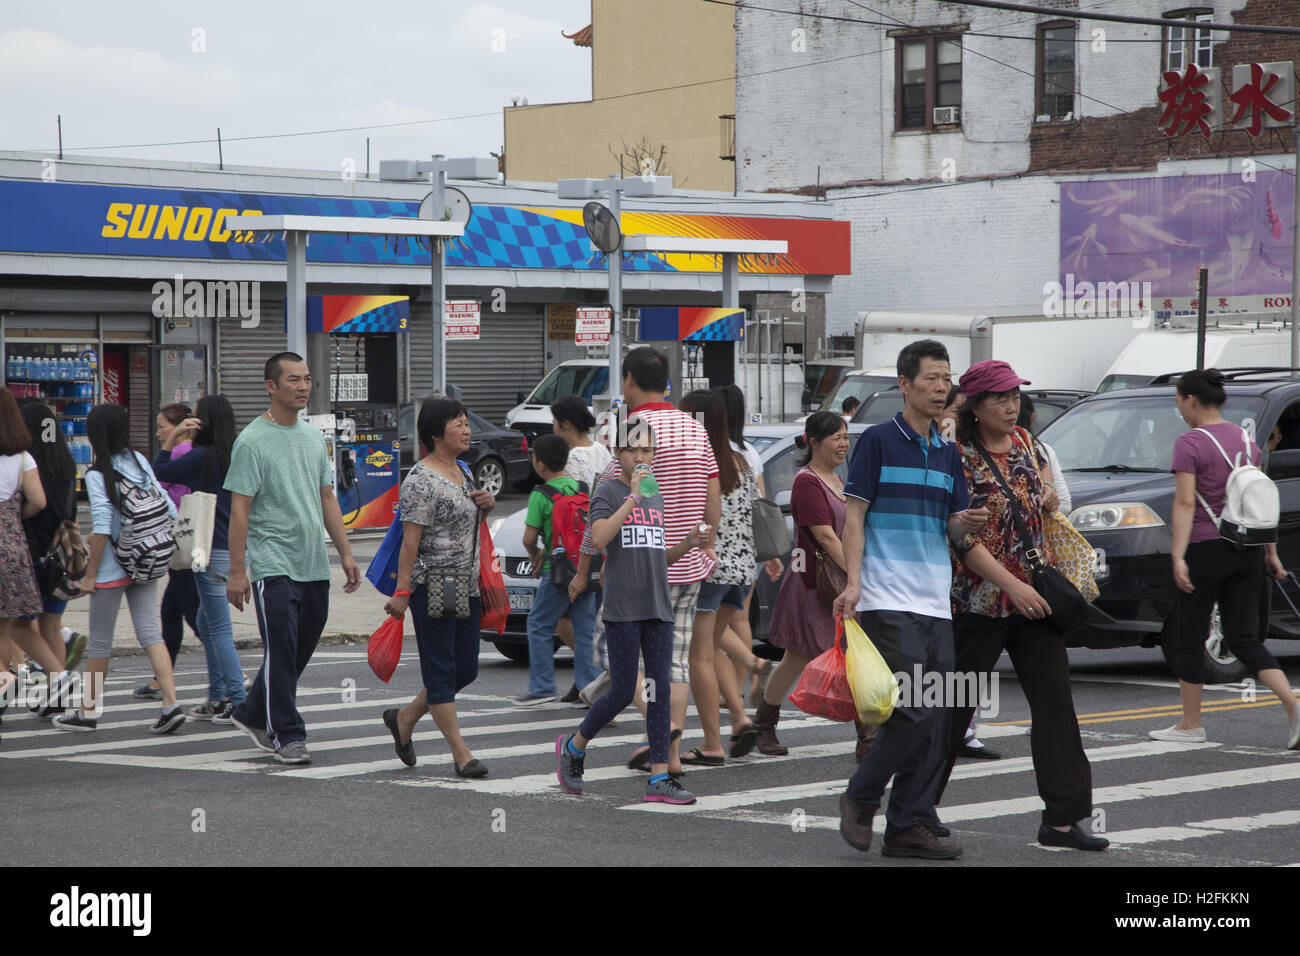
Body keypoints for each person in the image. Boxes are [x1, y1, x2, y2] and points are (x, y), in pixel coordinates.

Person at [935, 359, 1108, 851]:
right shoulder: (958, 457)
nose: (1012, 406)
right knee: (950, 706)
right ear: (975, 406)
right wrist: (1011, 584)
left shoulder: (1028, 445)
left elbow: (1039, 502)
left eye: (1014, 396)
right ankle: (914, 811)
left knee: (1056, 706)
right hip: (980, 601)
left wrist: (1047, 493)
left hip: (1036, 601)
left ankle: (1063, 820)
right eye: (1000, 399)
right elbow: (958, 536)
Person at [833, 340, 989, 860]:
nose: (942, 387)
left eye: (947, 379)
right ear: (904, 384)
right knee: (916, 711)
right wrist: (853, 584)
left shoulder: (947, 452)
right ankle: (861, 795)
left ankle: (908, 825)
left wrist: (963, 523)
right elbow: (853, 517)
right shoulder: (878, 441)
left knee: (941, 713)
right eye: (931, 378)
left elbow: (947, 523)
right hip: (887, 596)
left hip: (934, 600)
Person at [570, 347, 719, 775]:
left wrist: (583, 572)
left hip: (636, 566)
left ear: (629, 379)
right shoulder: (695, 428)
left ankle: (662, 736)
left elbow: (597, 515)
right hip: (687, 566)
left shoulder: (627, 430)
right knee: (677, 662)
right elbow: (713, 494)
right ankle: (666, 753)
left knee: (622, 664)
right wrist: (705, 542)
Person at [556, 417, 706, 804]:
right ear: (618, 453)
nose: (640, 456)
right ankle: (574, 746)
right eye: (632, 449)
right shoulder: (608, 490)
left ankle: (659, 779)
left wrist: (690, 542)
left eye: (647, 450)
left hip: (658, 604)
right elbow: (600, 537)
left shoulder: (654, 494)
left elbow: (659, 556)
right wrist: (633, 497)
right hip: (623, 605)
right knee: (623, 690)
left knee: (657, 692)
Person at [224, 352, 361, 765]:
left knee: (298, 649)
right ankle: (286, 733)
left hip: (312, 563)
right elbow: (240, 510)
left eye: (306, 379)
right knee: (281, 651)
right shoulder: (251, 441)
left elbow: (326, 497)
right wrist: (236, 572)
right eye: (293, 380)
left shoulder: (310, 437)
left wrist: (347, 554)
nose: (303, 386)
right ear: (271, 386)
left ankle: (250, 711)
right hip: (272, 562)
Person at [1159, 368, 1299, 750]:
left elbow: (1186, 502)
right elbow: (1258, 501)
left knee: (1190, 633)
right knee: (1244, 638)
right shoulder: (1246, 440)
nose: (1179, 409)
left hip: (1208, 546)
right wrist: (1271, 553)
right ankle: (1292, 704)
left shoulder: (1189, 443)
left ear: (1190, 400)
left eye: (1178, 401)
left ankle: (1191, 724)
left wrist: (1178, 555)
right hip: (1249, 548)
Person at [53, 403, 185, 734]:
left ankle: (88, 711)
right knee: (150, 633)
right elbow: (169, 507)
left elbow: (100, 528)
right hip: (147, 558)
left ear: (95, 434)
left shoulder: (98, 474)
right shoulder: (139, 460)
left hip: (113, 568)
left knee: (99, 643)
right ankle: (171, 704)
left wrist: (91, 575)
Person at [381, 398, 494, 777]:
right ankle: (461, 754)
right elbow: (409, 542)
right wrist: (401, 591)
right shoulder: (420, 480)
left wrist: (487, 504)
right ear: (435, 433)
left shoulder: (464, 469)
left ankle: (405, 718)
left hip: (468, 582)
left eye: (466, 422)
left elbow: (470, 524)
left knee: (466, 669)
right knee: (441, 669)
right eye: (458, 424)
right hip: (435, 582)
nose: (467, 430)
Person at [752, 412, 870, 756]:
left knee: (804, 658)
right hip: (813, 587)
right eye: (835, 437)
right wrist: (854, 575)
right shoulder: (808, 482)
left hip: (830, 584)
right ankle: (867, 736)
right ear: (814, 443)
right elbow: (826, 537)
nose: (843, 444)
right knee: (808, 658)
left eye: (845, 437)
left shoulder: (836, 479)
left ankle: (764, 725)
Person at [678, 390, 761, 763]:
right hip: (741, 571)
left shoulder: (699, 462)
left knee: (699, 658)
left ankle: (712, 744)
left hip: (707, 570)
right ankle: (740, 717)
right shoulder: (742, 461)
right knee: (713, 646)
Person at [151, 394, 246, 722]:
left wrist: (176, 436)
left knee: (217, 627)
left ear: (204, 422)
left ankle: (239, 699)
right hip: (234, 545)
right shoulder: (238, 452)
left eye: (194, 416)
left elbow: (160, 470)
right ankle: (218, 697)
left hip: (208, 547)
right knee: (206, 621)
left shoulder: (203, 456)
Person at [934, 387, 998, 761]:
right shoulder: (943, 449)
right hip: (944, 567)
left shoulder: (973, 452)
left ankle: (965, 729)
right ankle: (942, 728)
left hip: (972, 570)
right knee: (941, 656)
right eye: (954, 410)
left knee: (966, 656)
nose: (955, 419)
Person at [515, 433, 598, 705]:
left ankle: (541, 686)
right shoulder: (583, 488)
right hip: (585, 568)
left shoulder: (540, 495)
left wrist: (536, 553)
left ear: (540, 465)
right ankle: (590, 688)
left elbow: (528, 538)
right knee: (585, 631)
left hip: (558, 570)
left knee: (538, 623)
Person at [16, 401, 86, 711]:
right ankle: (57, 696)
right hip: (62, 556)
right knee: (51, 625)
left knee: (19, 625)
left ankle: (57, 680)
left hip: (34, 554)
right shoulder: (66, 462)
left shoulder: (29, 463)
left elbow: (35, 505)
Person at [134, 403, 201, 701]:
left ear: (178, 426)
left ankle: (235, 675)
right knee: (172, 611)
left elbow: (156, 484)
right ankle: (162, 678)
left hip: (182, 540)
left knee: (194, 614)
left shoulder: (180, 453)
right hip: (189, 540)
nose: (159, 432)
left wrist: (172, 441)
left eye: (163, 425)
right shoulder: (197, 452)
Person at [550, 394, 612, 701]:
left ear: (565, 424)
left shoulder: (570, 459)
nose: (553, 427)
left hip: (580, 547)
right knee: (590, 616)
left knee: (565, 616)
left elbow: (569, 508)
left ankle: (590, 674)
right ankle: (585, 676)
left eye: (555, 421)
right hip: (605, 541)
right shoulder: (603, 451)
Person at [1017, 393, 1071, 514]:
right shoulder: (1043, 449)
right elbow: (1064, 504)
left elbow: (1063, 503)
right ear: (1032, 417)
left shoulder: (1039, 451)